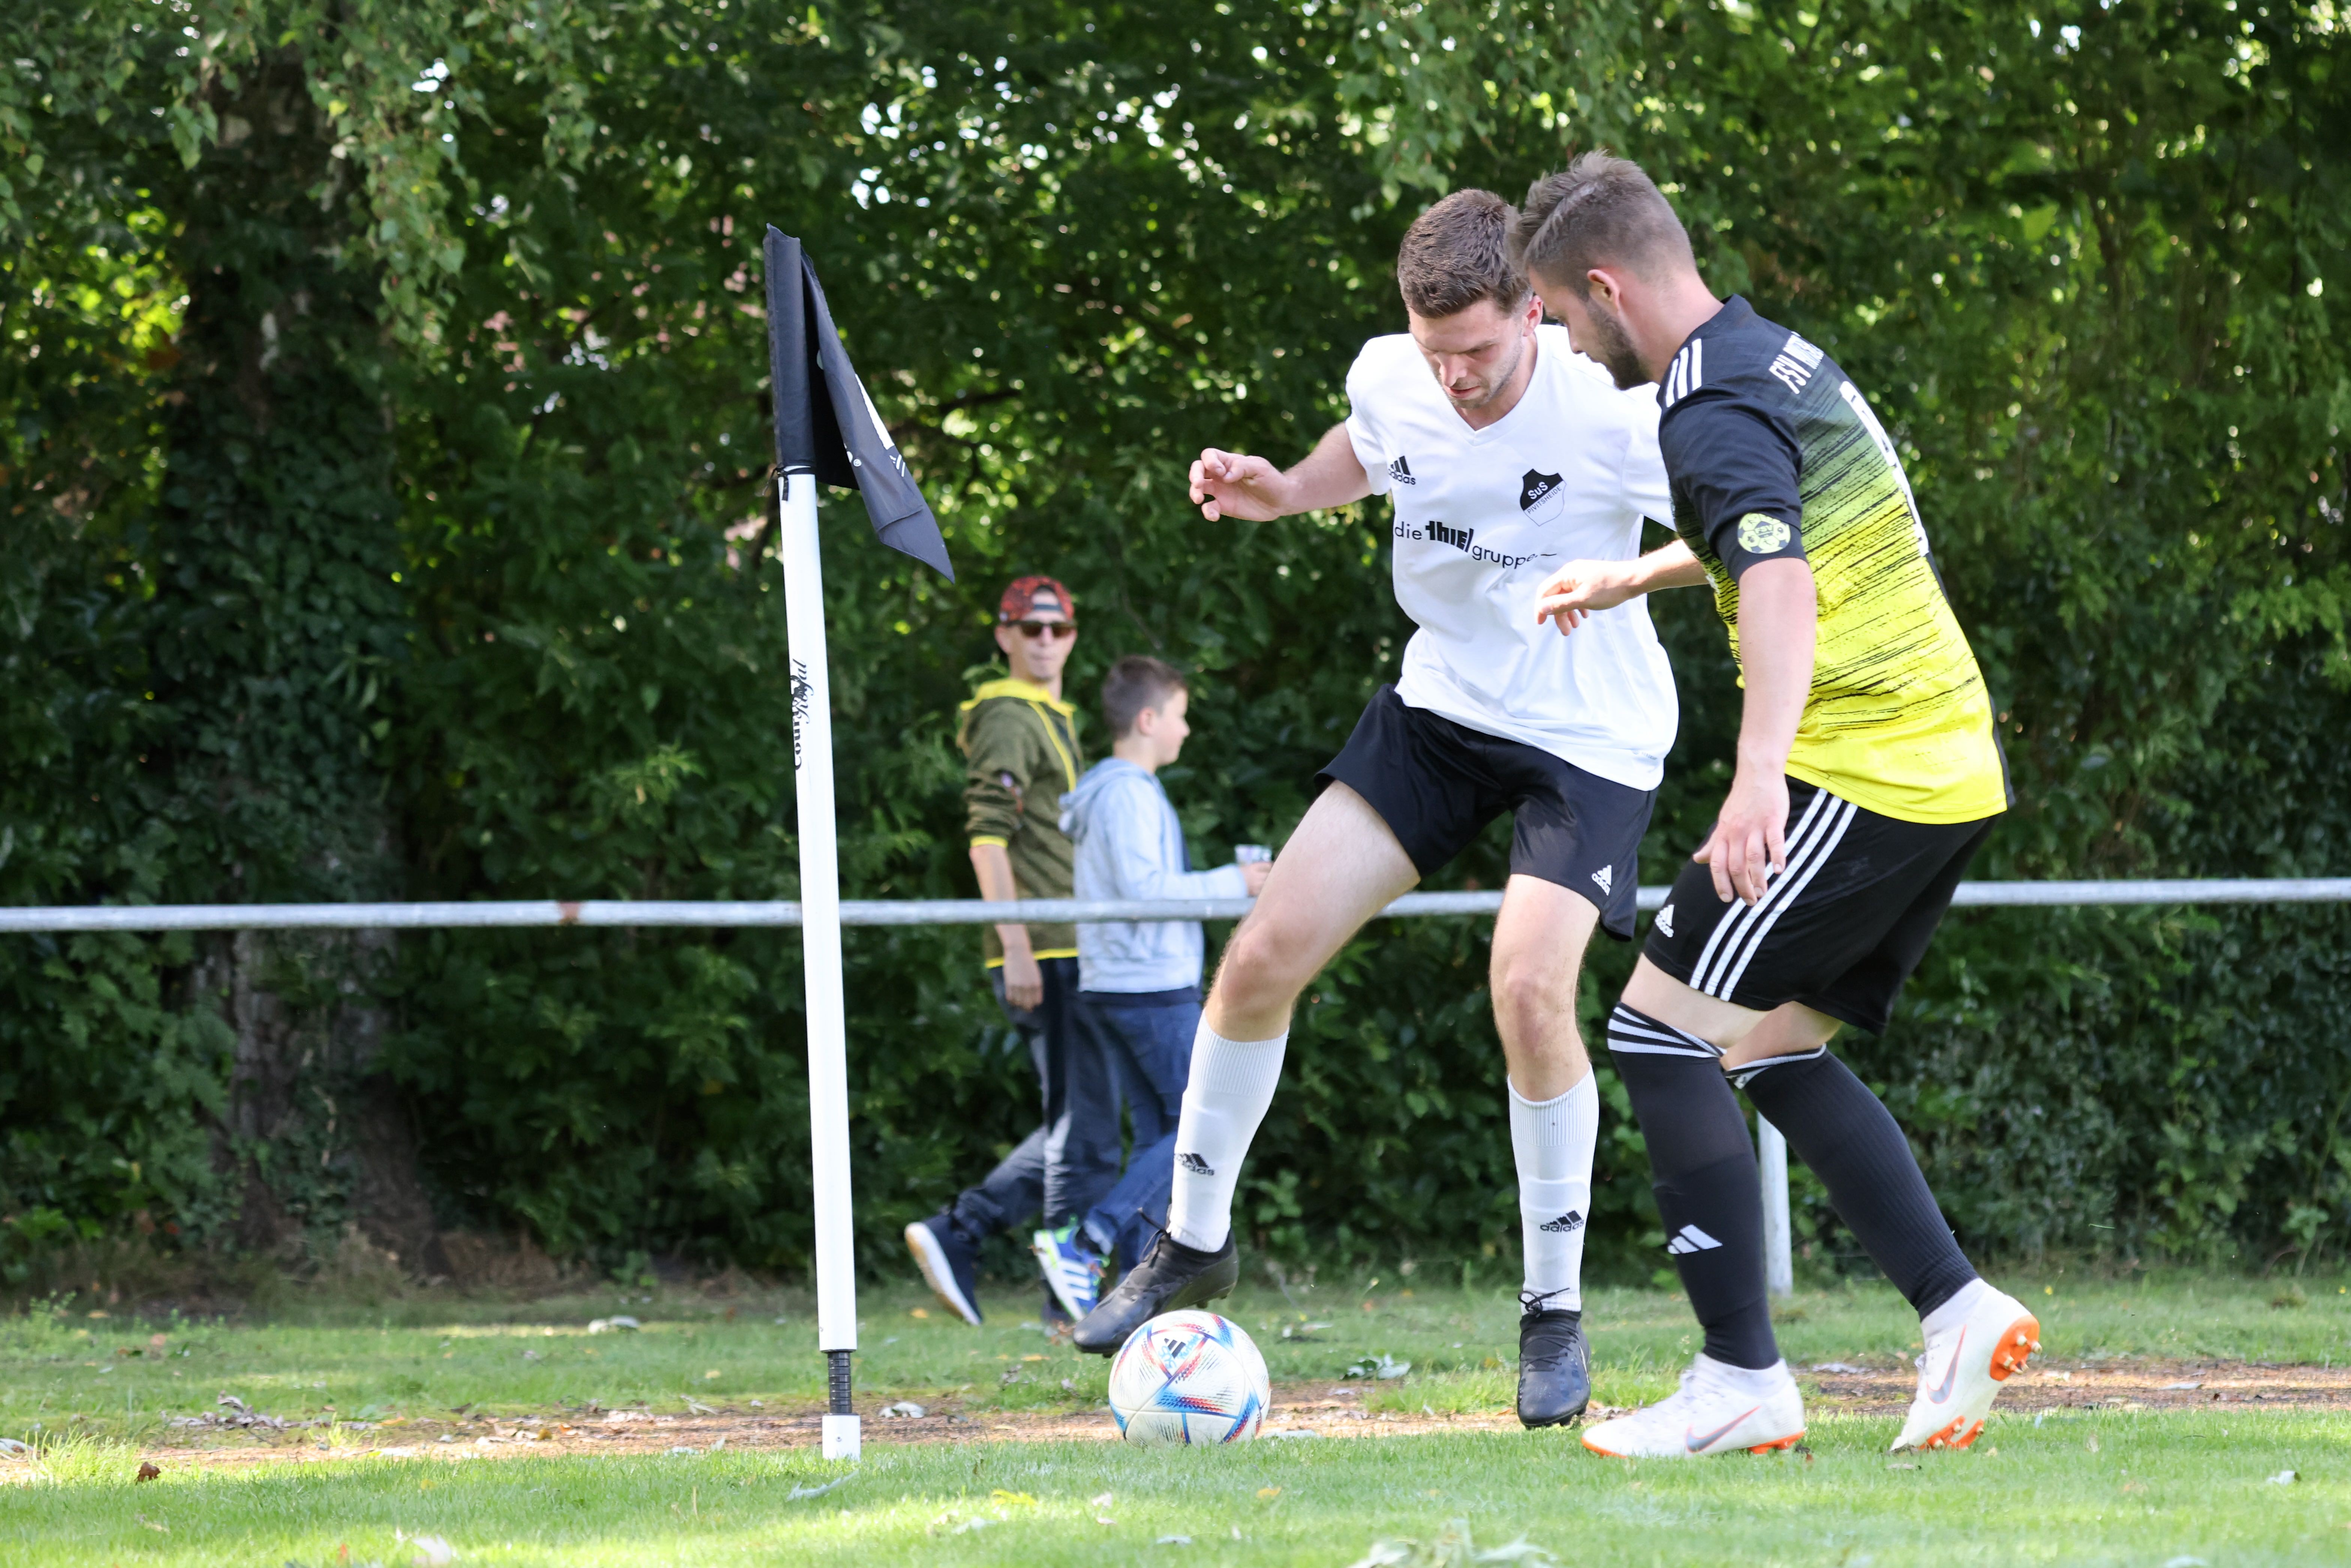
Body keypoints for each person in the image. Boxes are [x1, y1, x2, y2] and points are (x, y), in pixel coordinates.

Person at [1071, 189, 1679, 1432]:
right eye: (1433, 349)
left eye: (1478, 351)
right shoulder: (1392, 376)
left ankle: (1552, 1313)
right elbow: (1371, 450)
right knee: (1260, 956)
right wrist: (1286, 488)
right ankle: (1193, 1242)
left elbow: (1748, 527)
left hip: (1590, 735)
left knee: (1527, 989)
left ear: (1532, 312)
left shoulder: (1608, 407)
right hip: (1442, 709)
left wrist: (1626, 575)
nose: (1454, 376)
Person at [1509, 151, 2038, 1459]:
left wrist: (1758, 780)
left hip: (1862, 772)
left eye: (1564, 320)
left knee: (1655, 1031)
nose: (1568, 345)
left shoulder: (1700, 407)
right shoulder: (1770, 357)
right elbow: (1778, 529)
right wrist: (1632, 578)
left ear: (1605, 289)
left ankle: (1740, 1378)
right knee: (1764, 1044)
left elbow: (1782, 578)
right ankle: (1958, 1311)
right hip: (1944, 765)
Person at [1032, 657, 1275, 1322]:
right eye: (1179, 715)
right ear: (1147, 720)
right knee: (1206, 1126)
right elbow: (1145, 892)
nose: (1187, 729)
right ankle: (1087, 1242)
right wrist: (1234, 882)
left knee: (1161, 1138)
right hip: (1149, 987)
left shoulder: (1118, 793)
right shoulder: (1128, 795)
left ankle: (1134, 1298)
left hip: (1124, 984)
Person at [905, 575, 1106, 1329]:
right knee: (1084, 1130)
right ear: (1004, 637)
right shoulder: (1008, 714)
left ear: (1074, 637)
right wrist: (1015, 944)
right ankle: (1060, 1298)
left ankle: (967, 1233)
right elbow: (987, 837)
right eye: (1030, 628)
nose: (1046, 640)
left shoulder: (1050, 714)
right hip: (1043, 949)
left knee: (1079, 1122)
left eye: (1059, 628)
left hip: (1072, 944)